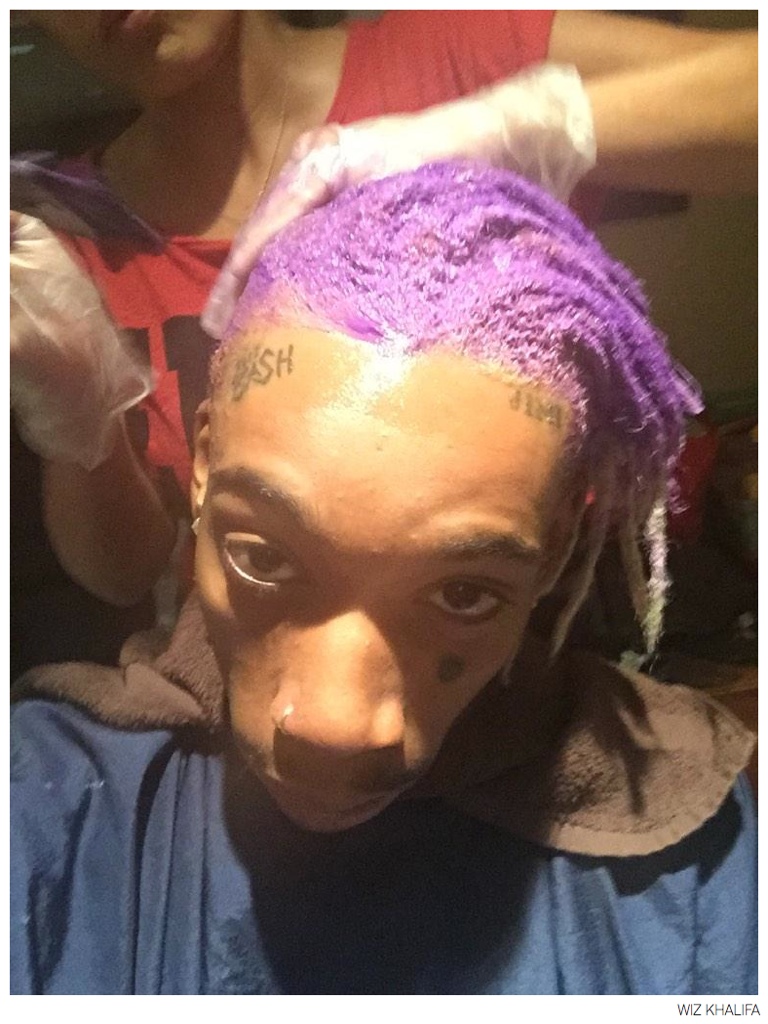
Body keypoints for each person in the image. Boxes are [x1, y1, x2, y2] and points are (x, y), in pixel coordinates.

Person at [11, 163, 756, 995]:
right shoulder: (44, 800)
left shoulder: (693, 863)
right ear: (203, 466)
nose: (336, 726)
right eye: (266, 557)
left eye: (464, 593)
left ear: (552, 552)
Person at [11, 11, 758, 671]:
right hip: (252, 689)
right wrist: (82, 412)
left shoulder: (459, 52)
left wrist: (523, 126)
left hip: (519, 671)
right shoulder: (62, 235)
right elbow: (126, 571)